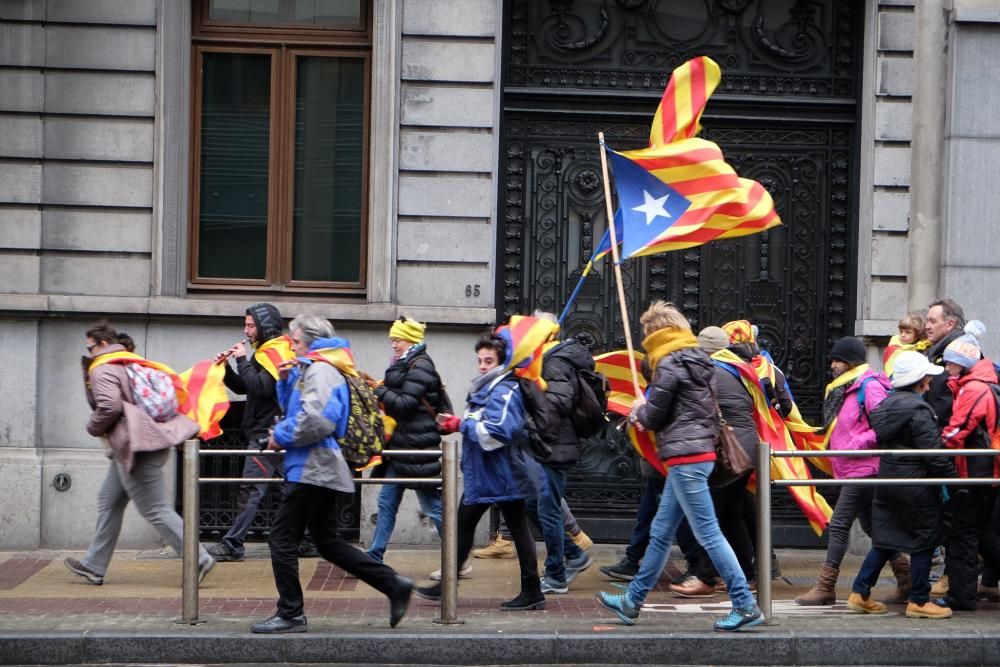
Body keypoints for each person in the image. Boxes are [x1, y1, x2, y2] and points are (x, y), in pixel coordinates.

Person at [597, 302, 762, 632]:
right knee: (660, 533)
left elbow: (655, 415)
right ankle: (632, 601)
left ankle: (744, 604)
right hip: (692, 456)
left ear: (657, 331)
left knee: (709, 533)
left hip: (686, 458)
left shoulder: (669, 363)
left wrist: (638, 411)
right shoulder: (699, 360)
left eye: (647, 332)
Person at [251, 315, 412, 634]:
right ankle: (394, 585)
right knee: (327, 542)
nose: (290, 347)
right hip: (317, 466)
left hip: (313, 467)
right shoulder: (316, 366)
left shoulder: (321, 369)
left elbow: (319, 420)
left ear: (309, 341)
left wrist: (279, 436)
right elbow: (299, 410)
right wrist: (285, 381)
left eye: (294, 342)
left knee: (281, 537)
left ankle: (291, 613)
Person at [65, 321, 215, 586]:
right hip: (138, 442)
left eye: (90, 347)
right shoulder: (129, 361)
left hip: (136, 446)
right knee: (108, 501)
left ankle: (199, 558)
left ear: (101, 345)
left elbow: (109, 407)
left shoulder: (103, 368)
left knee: (155, 509)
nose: (88, 353)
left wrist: (92, 427)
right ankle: (94, 565)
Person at [415, 332, 545, 610]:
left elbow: (498, 432)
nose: (483, 365)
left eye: (489, 360)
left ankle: (530, 590)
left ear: (501, 362)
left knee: (509, 528)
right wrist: (459, 423)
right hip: (488, 474)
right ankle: (528, 590)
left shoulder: (504, 390)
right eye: (480, 360)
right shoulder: (488, 388)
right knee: (472, 525)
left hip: (502, 473)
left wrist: (460, 425)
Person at [847, 351, 956, 619]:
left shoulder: (885, 407)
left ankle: (860, 593)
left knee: (885, 540)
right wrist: (953, 481)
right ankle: (919, 599)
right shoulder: (919, 411)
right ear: (918, 382)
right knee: (923, 539)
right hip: (916, 484)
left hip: (889, 480)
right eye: (927, 380)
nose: (930, 385)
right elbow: (933, 454)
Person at [206, 303, 314, 562]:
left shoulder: (275, 352)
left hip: (268, 433)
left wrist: (242, 359)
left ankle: (233, 543)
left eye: (251, 325)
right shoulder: (265, 352)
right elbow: (246, 388)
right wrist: (227, 370)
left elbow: (262, 387)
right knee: (289, 488)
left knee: (252, 489)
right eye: (245, 325)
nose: (247, 330)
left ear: (265, 326)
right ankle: (306, 540)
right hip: (270, 430)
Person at [796, 336, 898, 606]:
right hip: (851, 467)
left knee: (839, 524)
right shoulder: (845, 388)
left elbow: (884, 426)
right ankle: (908, 578)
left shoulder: (869, 387)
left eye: (837, 360)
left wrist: (856, 443)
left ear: (851, 362)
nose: (833, 365)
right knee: (875, 528)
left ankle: (825, 586)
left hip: (864, 468)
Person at [667, 326, 760, 597]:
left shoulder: (711, 370)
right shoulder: (737, 368)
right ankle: (747, 575)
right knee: (732, 516)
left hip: (728, 454)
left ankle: (705, 577)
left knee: (710, 517)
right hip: (746, 449)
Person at [366, 317, 457, 576]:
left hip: (417, 448)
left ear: (411, 339)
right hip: (402, 447)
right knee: (386, 502)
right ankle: (375, 555)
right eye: (392, 339)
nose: (393, 344)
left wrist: (378, 392)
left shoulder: (420, 365)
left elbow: (405, 404)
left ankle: (457, 557)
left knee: (433, 507)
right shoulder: (406, 363)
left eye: (397, 339)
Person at [525, 311, 595, 594]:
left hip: (554, 446)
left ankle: (556, 574)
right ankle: (575, 555)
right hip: (546, 445)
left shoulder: (555, 362)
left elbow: (556, 404)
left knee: (548, 510)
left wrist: (527, 421)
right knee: (532, 504)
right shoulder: (545, 359)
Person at [938, 321, 1000, 611]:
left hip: (974, 475)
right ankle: (963, 593)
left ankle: (961, 596)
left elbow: (956, 430)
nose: (946, 368)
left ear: (962, 364)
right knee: (984, 535)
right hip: (985, 473)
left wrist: (933, 447)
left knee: (963, 534)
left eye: (950, 363)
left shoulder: (973, 389)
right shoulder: (983, 384)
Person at [923, 299, 968, 426]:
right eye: (927, 321)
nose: (927, 326)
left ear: (950, 324)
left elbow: (943, 402)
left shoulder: (960, 355)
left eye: (933, 321)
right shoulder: (937, 350)